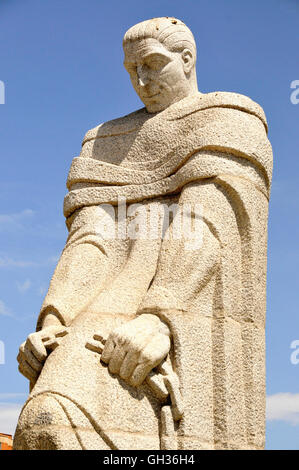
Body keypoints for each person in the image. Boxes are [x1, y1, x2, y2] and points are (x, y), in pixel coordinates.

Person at [14, 17, 272, 450]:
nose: (142, 80)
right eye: (132, 69)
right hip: (99, 309)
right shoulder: (105, 138)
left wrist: (161, 317)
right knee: (43, 423)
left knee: (53, 421)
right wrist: (54, 320)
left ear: (187, 59)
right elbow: (90, 237)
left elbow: (208, 221)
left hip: (174, 312)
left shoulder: (229, 117)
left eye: (153, 64)